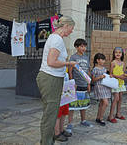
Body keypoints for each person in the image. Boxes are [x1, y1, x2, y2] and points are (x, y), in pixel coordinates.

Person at [36, 16, 76, 145]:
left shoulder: (54, 38)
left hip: (52, 78)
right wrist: (68, 63)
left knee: (52, 113)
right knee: (50, 114)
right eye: (72, 28)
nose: (71, 31)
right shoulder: (57, 40)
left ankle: (49, 140)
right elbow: (51, 62)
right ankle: (46, 142)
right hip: (50, 79)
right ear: (66, 26)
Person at [67, 39, 93, 133]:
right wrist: (72, 83)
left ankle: (83, 120)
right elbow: (70, 70)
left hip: (84, 84)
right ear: (76, 47)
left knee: (83, 104)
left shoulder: (86, 58)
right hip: (76, 85)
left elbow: (88, 71)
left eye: (85, 46)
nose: (83, 48)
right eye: (81, 46)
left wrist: (89, 83)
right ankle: (69, 124)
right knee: (72, 105)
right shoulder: (73, 57)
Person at [108, 47, 127, 123]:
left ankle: (118, 113)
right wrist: (119, 76)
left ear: (122, 54)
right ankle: (110, 116)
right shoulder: (113, 63)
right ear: (114, 53)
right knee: (116, 99)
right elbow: (111, 74)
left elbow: (123, 73)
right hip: (115, 83)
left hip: (121, 83)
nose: (118, 54)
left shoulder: (123, 63)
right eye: (116, 52)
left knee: (120, 98)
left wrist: (126, 75)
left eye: (119, 52)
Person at [91, 53, 111, 126]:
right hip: (99, 87)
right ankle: (101, 118)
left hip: (105, 86)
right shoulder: (95, 69)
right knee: (105, 103)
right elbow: (93, 80)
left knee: (102, 103)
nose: (103, 61)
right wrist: (100, 77)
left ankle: (98, 117)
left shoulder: (104, 69)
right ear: (97, 60)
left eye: (104, 60)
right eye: (102, 59)